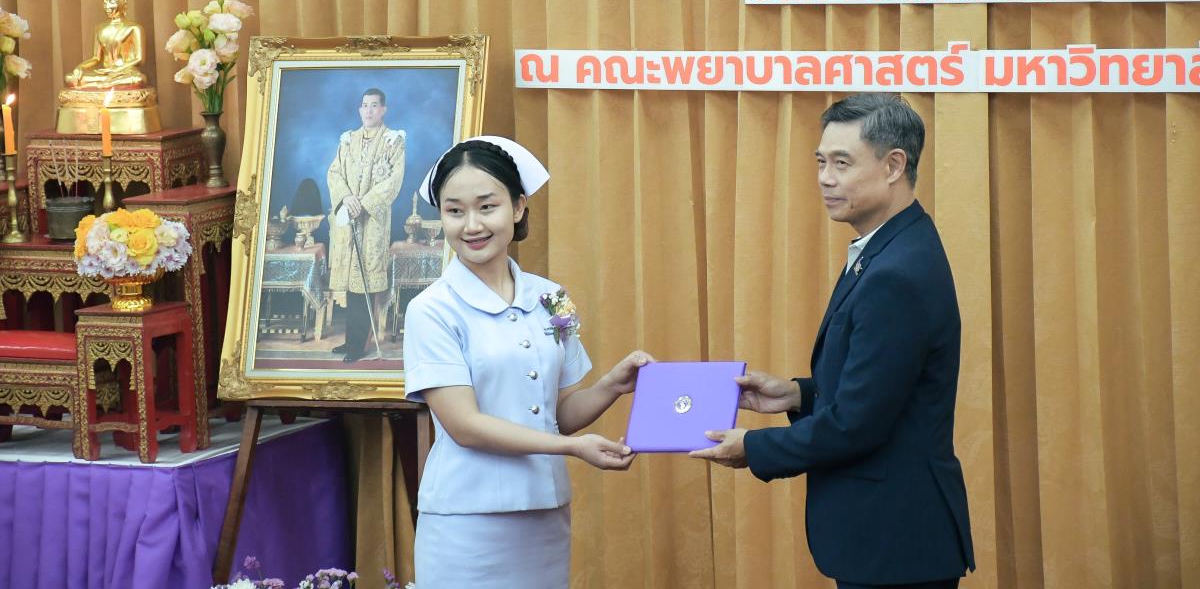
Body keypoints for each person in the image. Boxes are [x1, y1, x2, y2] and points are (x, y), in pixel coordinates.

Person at [692, 93, 975, 589]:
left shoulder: (897, 272)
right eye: (821, 162)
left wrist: (753, 447)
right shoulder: (891, 245)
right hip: (889, 535)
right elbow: (881, 388)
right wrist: (795, 394)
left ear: (894, 165)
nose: (825, 178)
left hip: (897, 541)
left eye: (842, 163)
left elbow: (857, 425)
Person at [403, 136, 653, 589]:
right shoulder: (431, 310)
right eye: (454, 211)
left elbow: (560, 414)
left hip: (545, 515)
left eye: (487, 207)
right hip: (467, 522)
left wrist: (613, 385)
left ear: (518, 207)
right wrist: (572, 449)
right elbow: (465, 426)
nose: (472, 225)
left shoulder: (554, 298)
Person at [326, 88, 406, 362]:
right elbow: (334, 172)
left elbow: (394, 181)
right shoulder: (348, 140)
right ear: (360, 109)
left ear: (383, 109)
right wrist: (346, 198)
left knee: (365, 283)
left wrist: (364, 203)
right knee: (351, 286)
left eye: (374, 105)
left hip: (372, 221)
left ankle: (359, 345)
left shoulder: (393, 141)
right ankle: (351, 341)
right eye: (364, 105)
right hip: (348, 218)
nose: (368, 110)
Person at [65, 0, 149, 89]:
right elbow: (96, 58)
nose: (107, 6)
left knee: (139, 79)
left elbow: (139, 59)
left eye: (111, 1)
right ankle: (103, 84)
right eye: (105, 2)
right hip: (104, 74)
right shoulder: (100, 28)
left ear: (123, 4)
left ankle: (101, 85)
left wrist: (117, 70)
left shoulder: (134, 28)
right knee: (70, 78)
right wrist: (80, 67)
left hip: (124, 73)